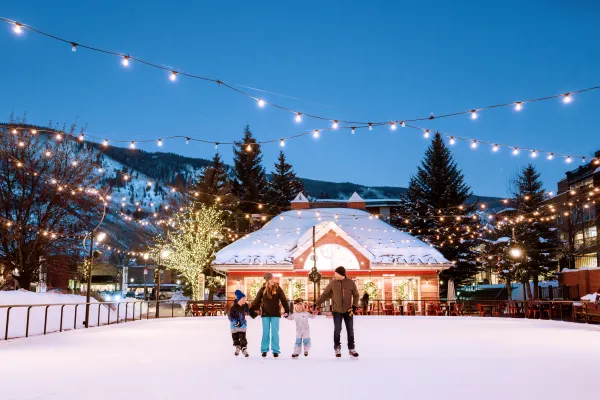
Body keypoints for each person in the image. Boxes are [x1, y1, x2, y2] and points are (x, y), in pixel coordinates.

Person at [314, 266, 360, 358]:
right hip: (337, 311)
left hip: (348, 311)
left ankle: (351, 348)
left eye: (336, 273)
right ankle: (337, 347)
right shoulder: (332, 283)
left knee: (350, 330)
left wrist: (354, 305)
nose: (334, 275)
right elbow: (324, 295)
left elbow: (356, 295)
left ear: (341, 274)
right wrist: (316, 304)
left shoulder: (351, 283)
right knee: (337, 330)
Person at [250, 273, 290, 358]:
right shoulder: (262, 289)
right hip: (265, 313)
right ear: (267, 280)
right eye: (271, 279)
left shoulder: (278, 289)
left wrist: (287, 310)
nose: (272, 280)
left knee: (275, 332)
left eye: (273, 278)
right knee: (265, 332)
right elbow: (257, 300)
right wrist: (252, 310)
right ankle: (264, 350)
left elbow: (283, 300)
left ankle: (275, 350)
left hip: (275, 313)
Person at [228, 289, 257, 357]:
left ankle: (244, 348)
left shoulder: (245, 305)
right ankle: (237, 346)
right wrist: (235, 322)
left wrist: (253, 314)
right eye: (244, 298)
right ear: (239, 299)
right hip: (234, 325)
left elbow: (248, 311)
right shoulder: (233, 307)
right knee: (235, 337)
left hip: (242, 324)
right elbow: (230, 316)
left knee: (242, 337)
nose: (245, 300)